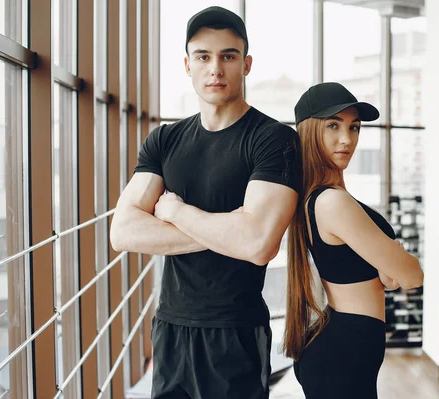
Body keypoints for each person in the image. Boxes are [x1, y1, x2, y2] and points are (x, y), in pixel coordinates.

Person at [110, 6, 300, 399]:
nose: (215, 68)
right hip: (170, 328)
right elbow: (123, 231)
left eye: (228, 56)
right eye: (203, 56)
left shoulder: (273, 139)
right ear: (187, 64)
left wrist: (177, 213)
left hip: (235, 331)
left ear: (246, 65)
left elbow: (258, 245)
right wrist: (229, 230)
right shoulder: (164, 140)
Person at [282, 82, 424, 399]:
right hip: (345, 350)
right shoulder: (333, 203)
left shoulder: (325, 198)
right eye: (333, 125)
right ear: (309, 131)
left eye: (354, 127)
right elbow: (412, 275)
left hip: (347, 344)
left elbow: (389, 278)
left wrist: (390, 268)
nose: (347, 139)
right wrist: (396, 263)